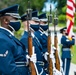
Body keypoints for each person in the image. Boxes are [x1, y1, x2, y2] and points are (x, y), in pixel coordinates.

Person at [0, 4, 32, 75]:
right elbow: (8, 70)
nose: (18, 22)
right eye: (15, 19)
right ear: (5, 20)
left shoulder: (9, 37)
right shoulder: (2, 39)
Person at [20, 11, 47, 75]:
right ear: (27, 23)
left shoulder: (34, 37)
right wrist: (42, 73)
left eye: (38, 22)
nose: (38, 24)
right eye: (35, 21)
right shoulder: (25, 39)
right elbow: (31, 63)